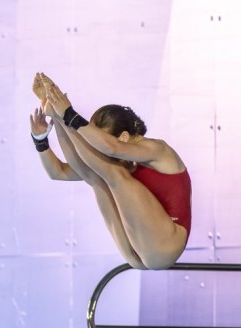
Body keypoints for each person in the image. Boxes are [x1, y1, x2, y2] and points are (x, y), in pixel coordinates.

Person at [30, 73, 191, 270]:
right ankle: (57, 115)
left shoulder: (157, 150)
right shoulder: (122, 164)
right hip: (136, 254)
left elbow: (112, 148)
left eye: (96, 143)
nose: (93, 149)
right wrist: (42, 138)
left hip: (167, 246)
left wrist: (69, 116)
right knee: (96, 178)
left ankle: (60, 116)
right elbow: (59, 172)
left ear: (124, 137)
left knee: (112, 173)